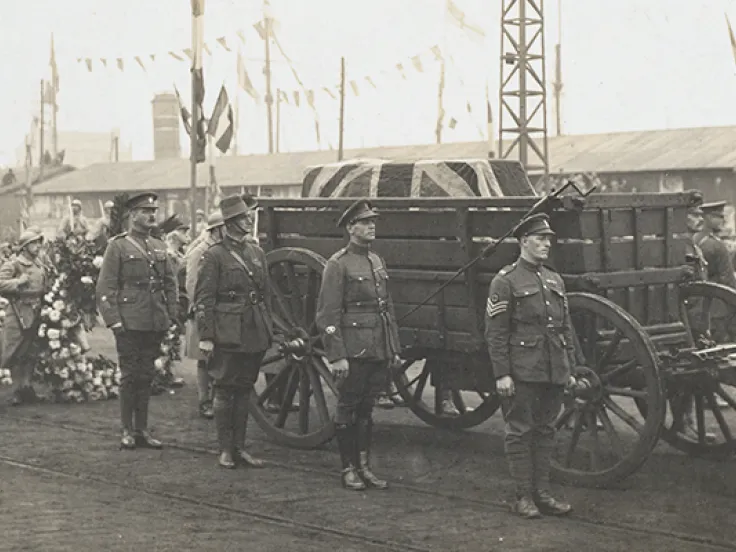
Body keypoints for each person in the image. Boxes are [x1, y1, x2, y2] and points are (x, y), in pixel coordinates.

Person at [485, 213, 574, 519]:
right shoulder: (506, 281)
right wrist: (502, 374)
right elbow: (495, 334)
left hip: (552, 368)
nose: (546, 244)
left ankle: (543, 493)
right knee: (520, 430)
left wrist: (570, 367)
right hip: (522, 370)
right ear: (523, 242)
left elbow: (565, 328)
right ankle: (522, 496)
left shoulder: (553, 278)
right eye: (540, 239)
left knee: (546, 430)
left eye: (549, 239)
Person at [316, 199, 400, 491]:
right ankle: (348, 469)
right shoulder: (338, 264)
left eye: (373, 221)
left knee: (367, 409)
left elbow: (386, 307)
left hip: (377, 346)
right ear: (350, 228)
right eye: (365, 222)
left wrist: (393, 347)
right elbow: (327, 314)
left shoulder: (376, 261)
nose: (371, 226)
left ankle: (364, 466)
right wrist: (337, 355)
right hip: (353, 350)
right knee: (348, 406)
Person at [194, 195, 274, 469]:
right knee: (225, 388)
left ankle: (240, 448)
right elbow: (204, 299)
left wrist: (268, 326)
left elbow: (266, 295)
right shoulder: (214, 256)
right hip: (227, 330)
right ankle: (225, 449)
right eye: (242, 218)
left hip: (253, 330)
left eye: (247, 216)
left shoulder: (256, 253)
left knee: (244, 388)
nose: (248, 220)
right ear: (229, 223)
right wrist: (205, 336)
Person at [96, 192, 178, 450]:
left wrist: (171, 315)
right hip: (129, 322)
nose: (152, 215)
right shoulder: (118, 246)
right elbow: (105, 288)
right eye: (146, 211)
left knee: (146, 376)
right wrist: (114, 321)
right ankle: (126, 430)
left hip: (154, 321)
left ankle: (142, 429)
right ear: (133, 216)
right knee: (130, 376)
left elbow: (170, 283)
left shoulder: (158, 246)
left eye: (154, 210)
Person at [0, 229, 48, 405]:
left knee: (30, 352)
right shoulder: (14, 264)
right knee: (13, 351)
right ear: (25, 246)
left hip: (37, 311)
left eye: (39, 243)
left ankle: (26, 388)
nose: (38, 246)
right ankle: (14, 390)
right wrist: (18, 282)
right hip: (18, 311)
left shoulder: (40, 263)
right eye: (34, 243)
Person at [185, 210, 225, 419]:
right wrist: (200, 309)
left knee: (219, 359)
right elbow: (191, 283)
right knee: (204, 359)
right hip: (202, 311)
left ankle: (216, 399)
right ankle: (204, 401)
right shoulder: (200, 251)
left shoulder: (222, 249)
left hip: (221, 312)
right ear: (217, 230)